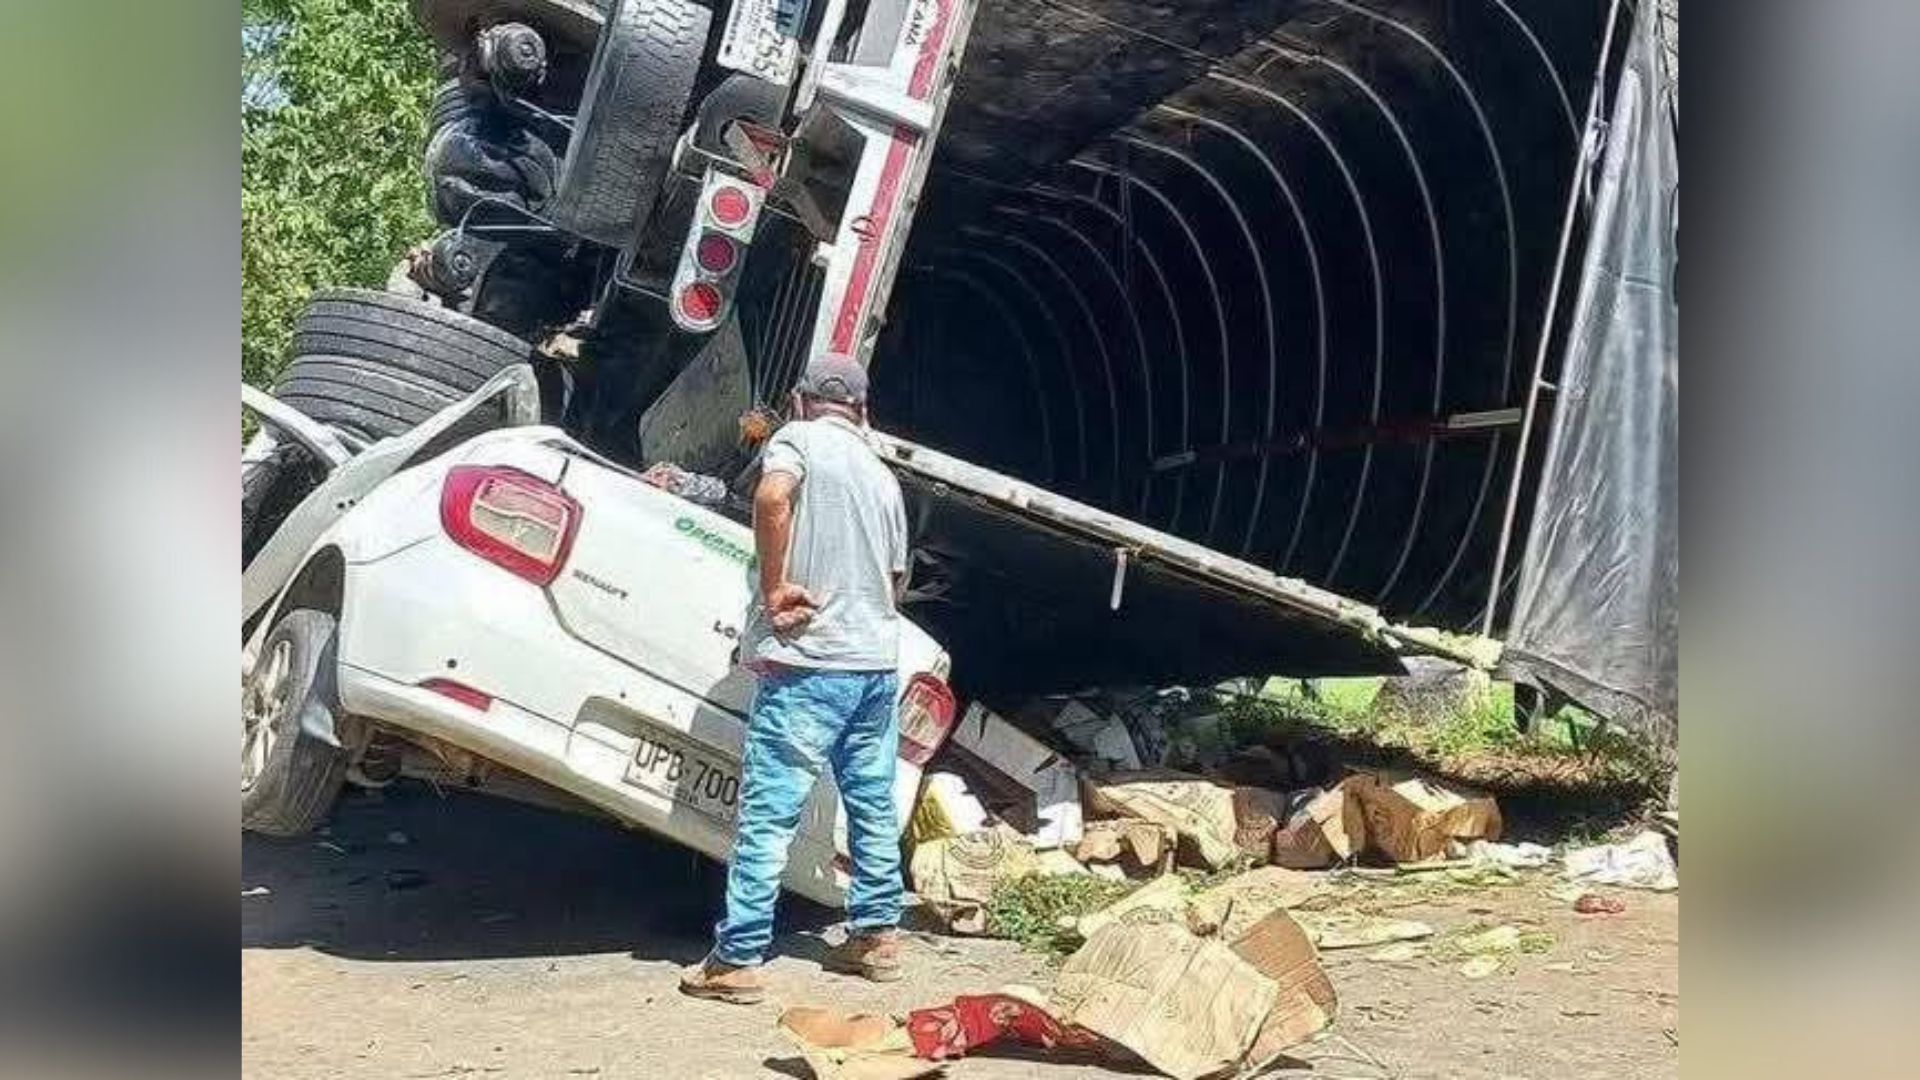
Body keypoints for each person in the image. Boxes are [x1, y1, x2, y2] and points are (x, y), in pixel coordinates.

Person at [679, 356, 911, 1006]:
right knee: (870, 801)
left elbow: (773, 495)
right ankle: (877, 938)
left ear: (799, 400)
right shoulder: (882, 475)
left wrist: (779, 586)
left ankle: (738, 957)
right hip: (872, 667)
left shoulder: (797, 439)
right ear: (863, 411)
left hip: (809, 662)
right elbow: (896, 583)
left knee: (769, 811)